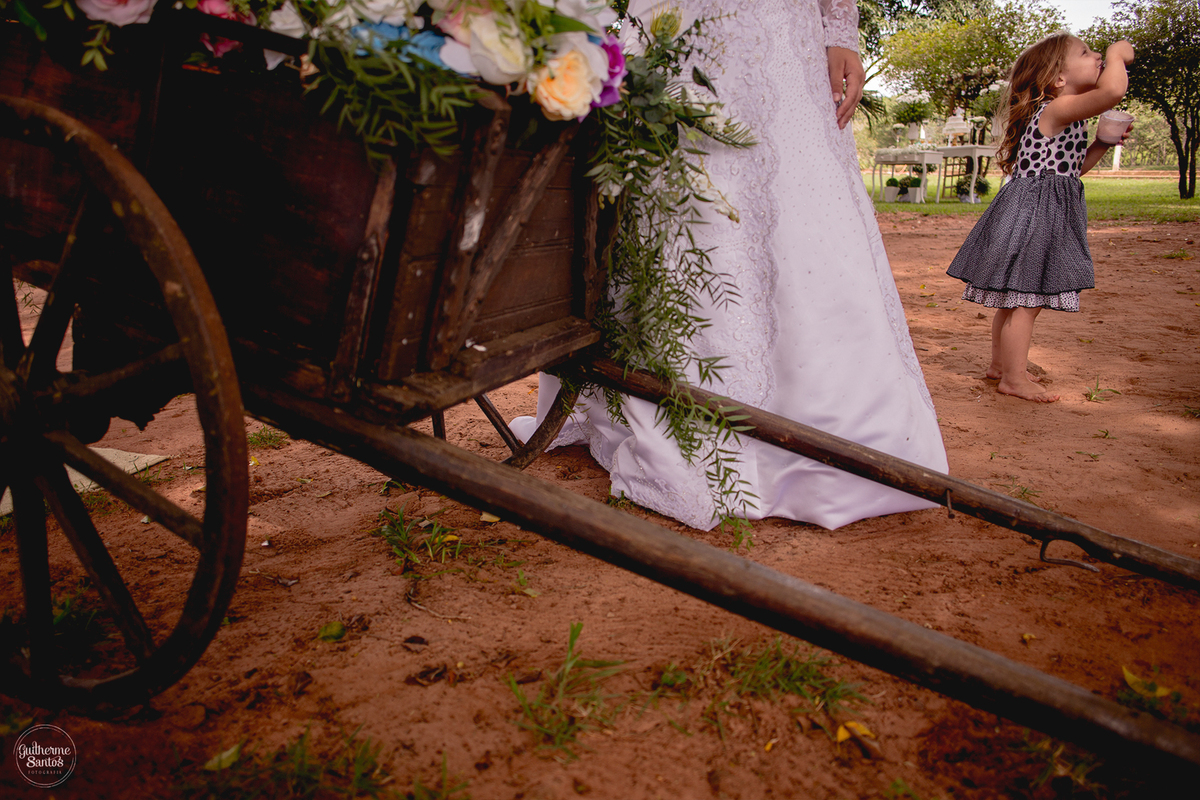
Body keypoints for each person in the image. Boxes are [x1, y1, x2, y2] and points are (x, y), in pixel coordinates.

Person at [511, 0, 949, 531]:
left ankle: (815, 419)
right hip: (674, 18)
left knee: (789, 187)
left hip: (777, 25)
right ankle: (657, 396)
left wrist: (840, 30)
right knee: (668, 182)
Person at [946, 33, 1135, 402]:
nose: (1096, 55)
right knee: (1028, 299)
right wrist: (1117, 54)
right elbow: (1113, 91)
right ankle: (1014, 379)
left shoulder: (1063, 114)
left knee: (1013, 296)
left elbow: (1072, 169)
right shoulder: (1056, 107)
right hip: (1038, 213)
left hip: (1033, 208)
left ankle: (1001, 365)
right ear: (1057, 79)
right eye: (1087, 52)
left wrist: (1100, 143)